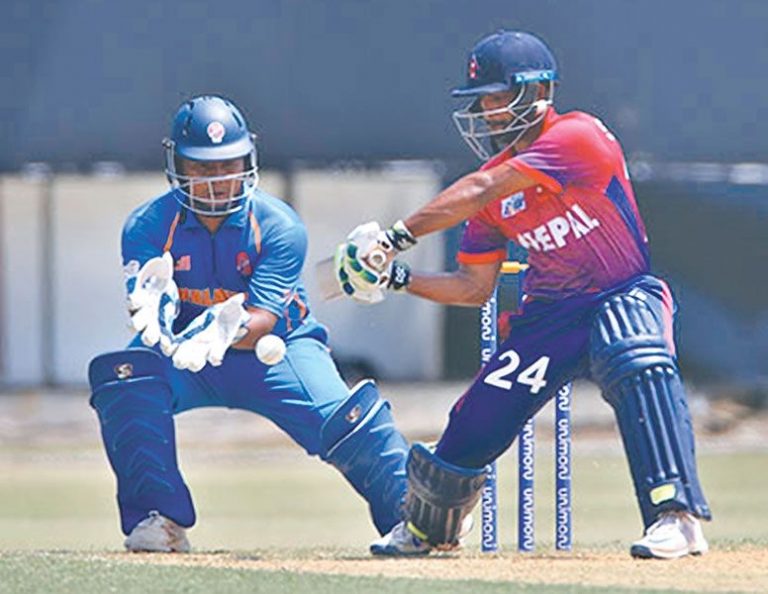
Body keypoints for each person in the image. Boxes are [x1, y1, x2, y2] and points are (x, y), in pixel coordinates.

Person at [332, 30, 711, 560]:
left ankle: (677, 517)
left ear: (537, 92)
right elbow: (473, 288)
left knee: (636, 356)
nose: (487, 112)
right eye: (481, 101)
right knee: (475, 419)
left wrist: (395, 239)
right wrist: (397, 278)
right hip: (550, 318)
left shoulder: (577, 137)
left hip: (622, 291)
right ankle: (430, 528)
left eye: (496, 97)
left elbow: (482, 188)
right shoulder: (490, 190)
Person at [88, 95, 408, 552]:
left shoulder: (279, 226)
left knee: (348, 420)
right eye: (202, 167)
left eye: (228, 165)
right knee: (124, 378)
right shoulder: (146, 225)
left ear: (248, 160)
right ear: (177, 166)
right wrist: (156, 315)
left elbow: (264, 320)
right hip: (183, 353)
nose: (218, 180)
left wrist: (221, 330)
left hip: (277, 351)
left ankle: (414, 514)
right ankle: (158, 520)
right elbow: (145, 301)